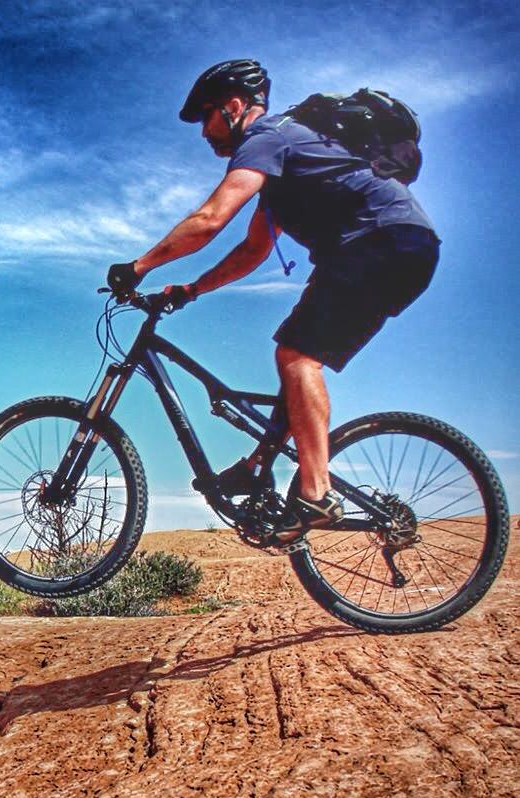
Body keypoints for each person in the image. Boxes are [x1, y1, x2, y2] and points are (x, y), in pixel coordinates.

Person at [106, 58, 440, 542]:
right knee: (297, 353)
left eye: (207, 116)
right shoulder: (287, 159)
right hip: (394, 246)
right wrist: (190, 290)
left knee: (297, 356)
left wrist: (137, 267)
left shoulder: (268, 138)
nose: (204, 132)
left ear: (235, 106)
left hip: (380, 242)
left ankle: (316, 493)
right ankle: (260, 464)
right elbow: (253, 250)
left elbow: (210, 218)